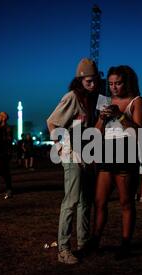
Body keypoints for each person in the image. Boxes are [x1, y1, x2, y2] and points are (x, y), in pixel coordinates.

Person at [91, 65, 142, 260]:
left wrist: (120, 115)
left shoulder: (137, 101)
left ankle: (125, 244)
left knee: (126, 202)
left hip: (127, 151)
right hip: (107, 151)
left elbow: (139, 133)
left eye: (118, 83)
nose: (114, 87)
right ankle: (95, 241)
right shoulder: (104, 101)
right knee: (99, 201)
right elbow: (96, 133)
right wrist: (101, 118)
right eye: (111, 84)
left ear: (127, 82)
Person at [47, 58, 99, 264]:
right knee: (71, 201)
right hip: (71, 154)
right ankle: (63, 248)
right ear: (79, 80)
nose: (93, 85)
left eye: (95, 81)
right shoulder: (71, 97)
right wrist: (59, 146)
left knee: (86, 201)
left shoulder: (91, 100)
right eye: (88, 81)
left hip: (86, 155)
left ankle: (84, 243)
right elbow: (51, 122)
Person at [0, 112, 13, 199]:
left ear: (4, 118)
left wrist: (0, 130)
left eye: (0, 116)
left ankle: (9, 189)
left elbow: (8, 139)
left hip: (5, 152)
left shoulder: (7, 128)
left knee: (4, 170)